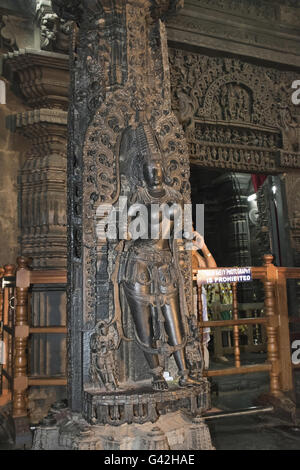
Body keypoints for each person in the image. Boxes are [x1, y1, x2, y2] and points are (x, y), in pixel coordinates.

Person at [192, 232, 217, 369]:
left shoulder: (193, 253)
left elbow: (213, 271)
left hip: (197, 297)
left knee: (200, 340)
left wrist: (204, 247)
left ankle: (203, 371)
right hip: (180, 299)